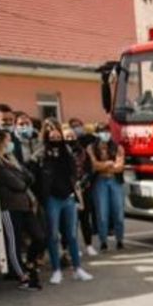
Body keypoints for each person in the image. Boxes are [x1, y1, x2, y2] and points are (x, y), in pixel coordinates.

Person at [35, 119, 93, 284]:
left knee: (72, 236)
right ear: (45, 133)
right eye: (49, 129)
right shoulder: (41, 153)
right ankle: (56, 270)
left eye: (56, 129)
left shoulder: (67, 150)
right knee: (53, 236)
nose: (54, 133)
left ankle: (78, 269)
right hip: (52, 199)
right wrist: (41, 196)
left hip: (68, 197)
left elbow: (75, 172)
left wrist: (76, 192)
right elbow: (34, 175)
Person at [0, 128, 45, 290]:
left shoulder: (10, 159)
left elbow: (29, 177)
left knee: (40, 237)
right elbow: (19, 183)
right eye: (7, 140)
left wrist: (22, 177)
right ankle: (22, 276)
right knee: (13, 243)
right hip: (9, 207)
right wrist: (22, 179)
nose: (10, 143)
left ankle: (29, 263)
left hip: (25, 205)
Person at [87, 123, 126, 252]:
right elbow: (94, 165)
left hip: (115, 181)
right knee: (102, 213)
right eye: (102, 131)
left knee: (118, 212)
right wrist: (109, 163)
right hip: (99, 182)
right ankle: (103, 241)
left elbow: (120, 166)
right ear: (97, 133)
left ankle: (120, 240)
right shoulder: (91, 148)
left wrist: (104, 165)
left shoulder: (117, 147)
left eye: (107, 131)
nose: (106, 134)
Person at [63, 126, 97, 257]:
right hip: (68, 191)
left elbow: (90, 169)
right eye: (67, 137)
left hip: (84, 189)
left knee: (85, 219)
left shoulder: (83, 152)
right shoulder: (61, 153)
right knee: (71, 222)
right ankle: (72, 248)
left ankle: (89, 245)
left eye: (72, 136)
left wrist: (83, 181)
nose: (70, 139)